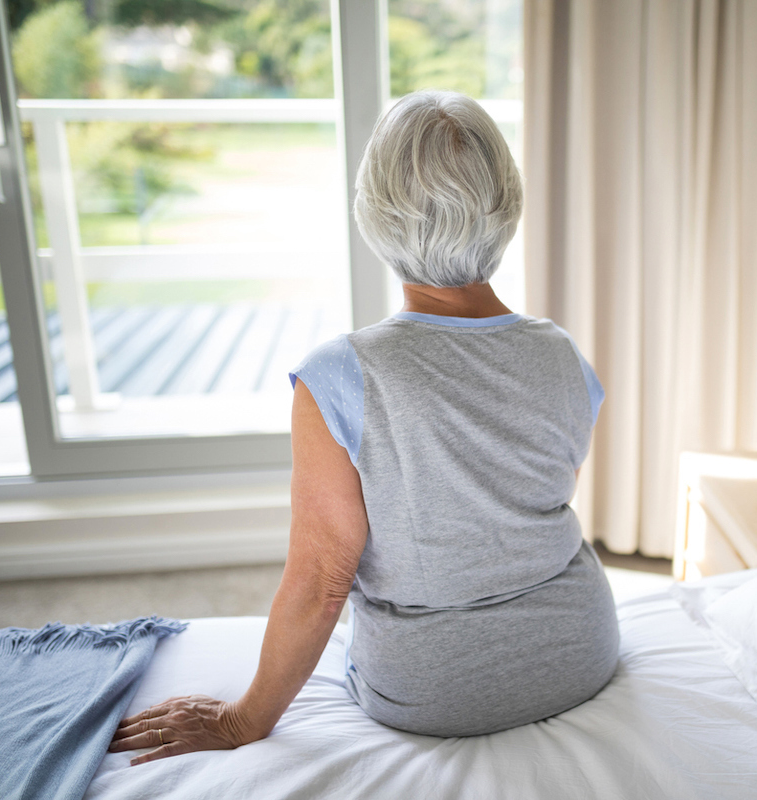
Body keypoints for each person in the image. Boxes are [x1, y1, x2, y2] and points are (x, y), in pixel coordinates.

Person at [108, 91, 619, 763]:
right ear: (506, 204)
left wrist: (242, 721)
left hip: (433, 693)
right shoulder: (562, 354)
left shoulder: (340, 374)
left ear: (375, 211)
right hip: (582, 652)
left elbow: (322, 583)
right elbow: (536, 503)